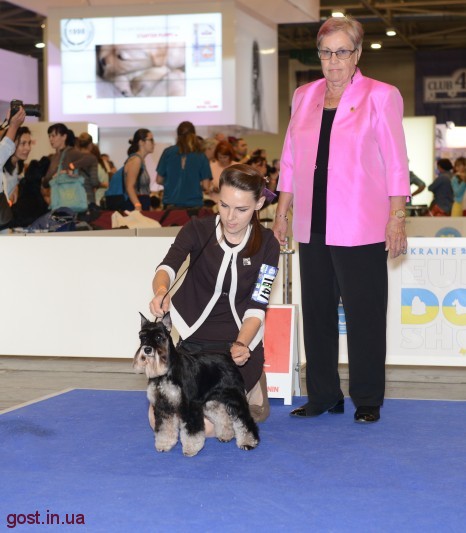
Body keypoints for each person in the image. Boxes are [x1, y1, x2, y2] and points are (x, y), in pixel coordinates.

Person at [272, 15, 410, 424]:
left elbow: (396, 162)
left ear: (357, 54)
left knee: (365, 315)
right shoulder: (304, 96)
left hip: (361, 225)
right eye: (326, 53)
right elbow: (289, 158)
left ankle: (367, 398)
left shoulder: (381, 96)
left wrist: (397, 216)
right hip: (312, 224)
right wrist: (281, 211)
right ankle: (323, 394)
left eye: (342, 52)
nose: (333, 61)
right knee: (317, 313)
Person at [149, 164, 280, 431]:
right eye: (224, 205)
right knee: (160, 421)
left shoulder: (268, 244)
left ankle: (253, 382)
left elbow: (257, 305)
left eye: (241, 209)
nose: (230, 217)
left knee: (206, 426)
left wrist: (242, 344)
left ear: (259, 204)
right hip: (193, 345)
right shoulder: (196, 229)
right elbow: (167, 267)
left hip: (237, 348)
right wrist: (161, 290)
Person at [156, 121, 211, 209]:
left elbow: (159, 180)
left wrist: (171, 183)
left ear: (178, 135)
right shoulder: (200, 155)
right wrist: (193, 185)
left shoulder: (168, 152)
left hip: (171, 204)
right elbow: (206, 186)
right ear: (194, 135)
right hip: (194, 206)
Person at [41, 123, 83, 203]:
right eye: (49, 136)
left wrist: (67, 173)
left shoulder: (73, 153)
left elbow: (84, 173)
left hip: (71, 198)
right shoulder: (54, 157)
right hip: (59, 199)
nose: (50, 139)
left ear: (64, 137)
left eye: (53, 136)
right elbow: (47, 180)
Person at [0, 106, 26, 230]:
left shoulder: (18, 167)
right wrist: (13, 126)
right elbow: (4, 149)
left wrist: (8, 123)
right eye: (23, 143)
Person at [123, 128, 154, 211]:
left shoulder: (140, 160)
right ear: (141, 142)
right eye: (151, 140)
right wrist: (137, 205)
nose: (153, 143)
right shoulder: (136, 160)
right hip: (136, 205)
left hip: (142, 203)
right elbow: (129, 186)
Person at [2, 126, 32, 206]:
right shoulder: (2, 167)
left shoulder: (19, 166)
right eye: (23, 143)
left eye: (29, 143)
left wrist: (17, 187)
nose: (28, 148)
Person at [74, 132, 101, 207]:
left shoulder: (74, 157)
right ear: (90, 145)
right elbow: (94, 181)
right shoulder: (92, 158)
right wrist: (99, 184)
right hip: (88, 196)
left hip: (74, 195)